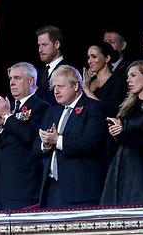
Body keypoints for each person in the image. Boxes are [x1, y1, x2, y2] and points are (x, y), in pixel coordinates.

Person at [34, 65, 108, 208]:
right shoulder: (52, 112)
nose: (56, 91)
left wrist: (58, 140)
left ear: (75, 86)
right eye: (54, 87)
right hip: (51, 189)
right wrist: (46, 144)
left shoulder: (94, 108)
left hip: (80, 192)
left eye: (61, 86)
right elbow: (35, 146)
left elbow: (92, 144)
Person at [0, 62, 49, 210]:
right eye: (11, 78)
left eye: (17, 78)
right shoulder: (8, 106)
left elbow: (31, 138)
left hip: (23, 188)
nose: (12, 82)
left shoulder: (41, 107)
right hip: (0, 187)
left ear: (31, 81)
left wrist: (7, 116)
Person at [100, 60, 143, 205]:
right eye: (128, 76)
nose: (129, 80)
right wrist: (116, 132)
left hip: (142, 170)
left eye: (133, 75)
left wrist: (123, 133)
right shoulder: (127, 108)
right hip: (122, 166)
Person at [81, 41, 128, 117]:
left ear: (107, 58)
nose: (90, 61)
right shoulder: (89, 81)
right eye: (88, 57)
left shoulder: (118, 81)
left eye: (94, 57)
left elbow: (108, 111)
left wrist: (87, 90)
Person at [34, 25, 73, 106]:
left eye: (44, 45)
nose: (40, 50)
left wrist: (34, 89)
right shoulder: (38, 73)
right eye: (39, 45)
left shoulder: (69, 71)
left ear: (57, 44)